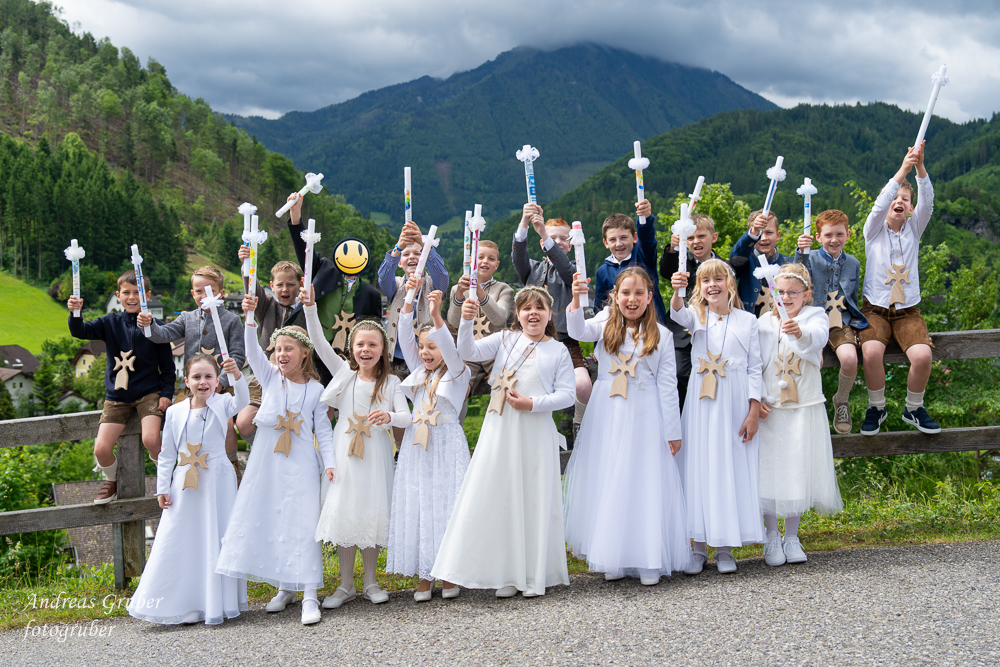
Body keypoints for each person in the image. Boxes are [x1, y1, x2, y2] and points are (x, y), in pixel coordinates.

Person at [431, 286, 575, 597]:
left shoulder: (558, 351)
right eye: (526, 308)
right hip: (500, 429)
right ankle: (507, 574)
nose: (533, 313)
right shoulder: (505, 339)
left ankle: (532, 575)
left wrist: (533, 404)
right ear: (517, 315)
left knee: (532, 498)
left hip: (534, 430)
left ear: (550, 314)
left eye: (539, 308)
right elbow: (468, 352)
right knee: (502, 496)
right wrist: (466, 320)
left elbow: (567, 394)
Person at [563, 266, 690, 585]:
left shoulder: (662, 335)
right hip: (608, 412)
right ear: (615, 296)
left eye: (639, 293)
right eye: (625, 293)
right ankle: (613, 555)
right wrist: (577, 299)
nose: (632, 299)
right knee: (611, 476)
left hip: (645, 413)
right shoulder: (605, 321)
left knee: (644, 479)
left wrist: (672, 430)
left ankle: (648, 558)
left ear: (649, 297)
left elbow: (667, 385)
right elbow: (578, 330)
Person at [215, 300, 335, 626]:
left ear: (304, 353)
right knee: (275, 517)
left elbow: (324, 432)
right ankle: (285, 586)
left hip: (301, 463)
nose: (282, 354)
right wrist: (249, 317)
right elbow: (252, 353)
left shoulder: (316, 390)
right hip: (268, 463)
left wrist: (330, 463)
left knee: (302, 522)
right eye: (278, 349)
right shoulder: (270, 379)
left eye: (289, 349)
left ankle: (309, 593)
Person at [304, 289, 410, 609]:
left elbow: (407, 416)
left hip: (375, 456)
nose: (366, 350)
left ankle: (371, 581)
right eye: (360, 344)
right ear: (351, 348)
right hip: (345, 454)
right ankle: (346, 584)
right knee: (346, 512)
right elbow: (319, 342)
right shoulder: (344, 374)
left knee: (370, 512)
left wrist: (390, 417)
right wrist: (310, 308)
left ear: (383, 350)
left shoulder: (391, 383)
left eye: (373, 345)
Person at [128, 353, 249, 625]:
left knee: (215, 536)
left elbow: (242, 400)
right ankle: (183, 601)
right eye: (197, 377)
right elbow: (167, 453)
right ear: (186, 381)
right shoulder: (174, 412)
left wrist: (237, 375)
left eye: (208, 377)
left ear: (217, 381)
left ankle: (215, 602)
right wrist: (162, 487)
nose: (202, 382)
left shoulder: (223, 403)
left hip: (217, 481)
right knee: (182, 536)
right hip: (184, 482)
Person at [669, 259, 764, 574]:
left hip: (734, 403)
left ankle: (724, 547)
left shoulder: (748, 321)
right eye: (706, 281)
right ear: (699, 287)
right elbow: (677, 313)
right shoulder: (697, 316)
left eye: (718, 279)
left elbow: (754, 367)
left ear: (730, 283)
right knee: (700, 465)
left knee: (727, 467)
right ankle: (697, 546)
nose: (712, 285)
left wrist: (753, 410)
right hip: (703, 403)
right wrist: (678, 291)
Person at [387, 276, 471, 601]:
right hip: (417, 445)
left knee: (446, 503)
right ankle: (425, 575)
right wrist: (409, 297)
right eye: (422, 347)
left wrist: (437, 316)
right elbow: (404, 335)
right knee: (421, 502)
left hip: (447, 444)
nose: (425, 352)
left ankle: (448, 572)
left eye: (431, 346)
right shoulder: (418, 372)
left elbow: (447, 346)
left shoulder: (458, 372)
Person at [756, 264, 843, 567]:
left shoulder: (815, 316)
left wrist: (799, 332)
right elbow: (756, 363)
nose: (786, 297)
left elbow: (816, 339)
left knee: (796, 468)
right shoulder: (764, 322)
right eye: (781, 292)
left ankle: (791, 535)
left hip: (803, 406)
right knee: (768, 470)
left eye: (793, 292)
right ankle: (771, 535)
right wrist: (757, 398)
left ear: (806, 294)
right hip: (771, 407)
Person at [67, 270, 174, 504]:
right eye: (126, 292)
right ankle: (111, 479)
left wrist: (166, 394)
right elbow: (79, 331)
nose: (132, 297)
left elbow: (168, 368)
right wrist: (75, 312)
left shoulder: (156, 328)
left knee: (151, 439)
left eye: (137, 292)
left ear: (147, 295)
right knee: (100, 449)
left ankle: (166, 476)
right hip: (117, 396)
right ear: (118, 296)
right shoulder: (110, 323)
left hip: (148, 394)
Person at [859, 142, 940, 436]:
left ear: (910, 208)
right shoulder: (873, 230)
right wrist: (903, 169)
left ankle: (914, 408)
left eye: (905, 199)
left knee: (923, 356)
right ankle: (877, 407)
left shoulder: (914, 230)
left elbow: (928, 202)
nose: (899, 201)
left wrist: (919, 168)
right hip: (875, 309)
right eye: (895, 197)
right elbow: (880, 203)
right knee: (871, 353)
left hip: (907, 311)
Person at [139, 265, 245, 482]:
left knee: (226, 424)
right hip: (190, 389)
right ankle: (183, 464)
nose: (203, 295)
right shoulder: (187, 318)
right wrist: (149, 325)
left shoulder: (232, 320)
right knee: (177, 419)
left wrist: (222, 381)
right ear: (192, 293)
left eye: (209, 290)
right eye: (198, 291)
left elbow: (238, 355)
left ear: (221, 293)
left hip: (221, 386)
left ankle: (231, 463)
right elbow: (164, 334)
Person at [282, 194, 382, 381]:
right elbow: (304, 250)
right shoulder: (324, 269)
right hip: (312, 352)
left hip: (346, 361)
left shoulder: (371, 295)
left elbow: (374, 332)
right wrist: (295, 215)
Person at [512, 206, 591, 436]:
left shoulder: (575, 270)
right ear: (541, 244)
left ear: (571, 244)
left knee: (583, 385)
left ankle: (580, 425)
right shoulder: (532, 269)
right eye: (552, 238)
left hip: (565, 341)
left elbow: (564, 269)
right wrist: (525, 223)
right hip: (530, 342)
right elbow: (518, 255)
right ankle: (527, 428)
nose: (558, 242)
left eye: (563, 239)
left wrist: (545, 234)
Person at [794, 209, 868, 433]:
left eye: (839, 234)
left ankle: (841, 400)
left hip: (840, 323)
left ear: (848, 234)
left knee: (850, 359)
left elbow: (853, 298)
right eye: (828, 235)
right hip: (813, 321)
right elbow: (797, 274)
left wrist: (855, 324)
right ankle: (806, 406)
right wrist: (801, 252)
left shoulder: (853, 263)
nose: (834, 240)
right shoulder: (810, 258)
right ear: (818, 237)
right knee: (813, 361)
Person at [235, 249, 303, 445]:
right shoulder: (266, 305)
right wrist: (247, 263)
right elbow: (252, 287)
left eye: (291, 284)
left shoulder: (305, 309)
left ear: (300, 285)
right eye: (279, 285)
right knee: (244, 422)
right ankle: (261, 450)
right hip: (263, 377)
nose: (285, 289)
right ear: (272, 286)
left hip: (294, 378)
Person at [659, 213, 722, 410]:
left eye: (701, 236)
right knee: (678, 373)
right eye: (691, 237)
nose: (696, 242)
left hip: (713, 333)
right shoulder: (681, 262)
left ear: (714, 237)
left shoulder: (724, 266)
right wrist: (673, 248)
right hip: (681, 334)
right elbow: (665, 270)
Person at [446, 239, 513, 417]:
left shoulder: (504, 289)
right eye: (480, 257)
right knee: (459, 388)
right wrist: (459, 295)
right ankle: (455, 428)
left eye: (491, 259)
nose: (485, 261)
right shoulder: (458, 288)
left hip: (496, 353)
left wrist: (480, 293)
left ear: (497, 265)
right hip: (468, 353)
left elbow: (499, 318)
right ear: (471, 262)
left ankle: (504, 425)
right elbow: (453, 322)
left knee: (505, 386)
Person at [379, 219, 450, 382]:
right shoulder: (397, 285)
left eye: (417, 253)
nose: (412, 257)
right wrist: (398, 247)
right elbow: (383, 278)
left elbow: (442, 276)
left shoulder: (433, 284)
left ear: (424, 257)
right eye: (406, 254)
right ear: (399, 263)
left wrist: (424, 244)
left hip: (427, 357)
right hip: (397, 358)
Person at [594, 199, 667, 324]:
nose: (619, 244)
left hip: (652, 325)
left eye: (623, 237)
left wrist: (645, 218)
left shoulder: (644, 257)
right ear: (605, 243)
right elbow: (600, 308)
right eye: (612, 239)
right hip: (621, 330)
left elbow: (647, 239)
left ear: (634, 237)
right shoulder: (602, 272)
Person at [730, 210, 793, 314]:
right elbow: (735, 258)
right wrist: (753, 232)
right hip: (750, 320)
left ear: (778, 235)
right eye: (759, 233)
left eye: (769, 232)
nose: (763, 238)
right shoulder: (745, 260)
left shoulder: (789, 263)